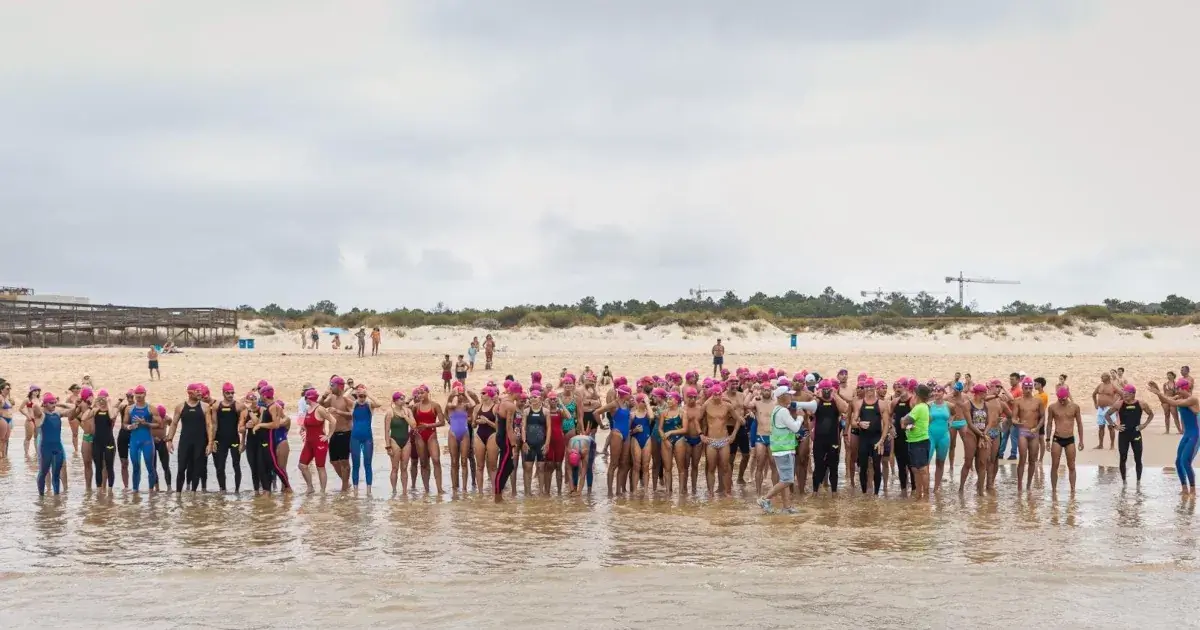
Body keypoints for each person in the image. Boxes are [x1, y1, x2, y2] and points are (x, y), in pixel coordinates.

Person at [757, 385, 819, 513]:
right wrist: (801, 417)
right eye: (789, 395)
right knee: (787, 480)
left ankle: (787, 507)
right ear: (782, 397)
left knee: (784, 479)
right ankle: (764, 499)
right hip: (784, 449)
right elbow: (795, 428)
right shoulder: (783, 411)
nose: (791, 397)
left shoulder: (777, 409)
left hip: (781, 449)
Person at [1147, 378, 1198, 495]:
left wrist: (1159, 393)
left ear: (1184, 388)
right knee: (1177, 462)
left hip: (1195, 435)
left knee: (1185, 461)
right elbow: (1166, 401)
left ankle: (1193, 490)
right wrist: (1158, 391)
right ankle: (1184, 489)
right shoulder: (1179, 397)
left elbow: (1173, 403)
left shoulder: (1193, 400)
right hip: (1186, 435)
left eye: (1178, 389)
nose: (1177, 391)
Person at [1104, 385, 1154, 484]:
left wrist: (1144, 425)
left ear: (1133, 394)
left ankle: (1138, 482)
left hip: (1136, 434)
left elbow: (1151, 414)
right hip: (1123, 434)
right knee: (1123, 458)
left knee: (1138, 458)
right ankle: (1124, 482)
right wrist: (1115, 426)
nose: (1125, 396)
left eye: (1127, 394)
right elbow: (1107, 415)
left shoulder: (1141, 404)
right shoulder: (1119, 404)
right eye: (1124, 394)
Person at [168, 384, 211, 492]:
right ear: (190, 392)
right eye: (197, 391)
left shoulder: (205, 407)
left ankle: (193, 494)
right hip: (185, 442)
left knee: (197, 469)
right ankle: (178, 494)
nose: (200, 393)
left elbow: (209, 425)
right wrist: (169, 440)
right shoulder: (180, 406)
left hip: (200, 443)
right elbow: (174, 424)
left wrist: (210, 443)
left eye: (200, 391)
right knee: (181, 468)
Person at [850, 379, 889, 495]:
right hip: (864, 440)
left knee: (877, 467)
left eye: (871, 387)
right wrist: (859, 424)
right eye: (867, 387)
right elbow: (853, 421)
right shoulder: (859, 403)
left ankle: (876, 494)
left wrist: (882, 440)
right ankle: (864, 494)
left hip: (876, 440)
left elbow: (886, 424)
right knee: (863, 467)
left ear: (875, 388)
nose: (869, 389)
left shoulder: (882, 404)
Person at [702, 383, 741, 496]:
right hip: (711, 440)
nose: (717, 396)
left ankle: (727, 492)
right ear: (712, 395)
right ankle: (710, 493)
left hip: (724, 440)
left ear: (721, 394)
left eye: (719, 394)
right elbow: (696, 419)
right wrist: (701, 435)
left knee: (725, 467)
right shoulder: (706, 405)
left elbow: (739, 419)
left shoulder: (727, 406)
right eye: (715, 394)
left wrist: (733, 434)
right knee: (711, 467)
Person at [812, 379, 848, 494]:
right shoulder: (817, 402)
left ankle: (834, 493)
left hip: (833, 439)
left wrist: (835, 395)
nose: (826, 392)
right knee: (818, 466)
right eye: (824, 390)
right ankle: (815, 492)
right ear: (820, 390)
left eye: (829, 389)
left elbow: (845, 409)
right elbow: (810, 412)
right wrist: (818, 397)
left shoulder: (835, 402)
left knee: (833, 467)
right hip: (819, 440)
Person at [1010, 377, 1046, 493]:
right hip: (1023, 432)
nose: (1028, 390)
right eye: (1026, 388)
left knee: (1032, 459)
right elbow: (1013, 418)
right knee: (1022, 457)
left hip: (1034, 432)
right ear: (1023, 387)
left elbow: (1042, 417)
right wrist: (1017, 423)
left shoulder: (1038, 401)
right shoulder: (1018, 401)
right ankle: (1020, 486)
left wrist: (1037, 428)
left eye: (1030, 388)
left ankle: (1028, 485)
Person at [1046, 386, 1084, 495]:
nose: (1062, 401)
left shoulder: (1075, 407)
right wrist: (1048, 440)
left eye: (1064, 399)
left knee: (1071, 465)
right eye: (1060, 399)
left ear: (1067, 396)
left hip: (1070, 439)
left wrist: (1081, 440)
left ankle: (1073, 491)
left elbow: (1079, 424)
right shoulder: (1052, 407)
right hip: (1057, 439)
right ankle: (1054, 491)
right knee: (1055, 465)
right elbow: (1049, 424)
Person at [899, 384, 933, 500]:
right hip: (916, 440)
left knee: (922, 469)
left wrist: (903, 420)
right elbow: (906, 425)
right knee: (916, 469)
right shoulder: (924, 407)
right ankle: (920, 495)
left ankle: (925, 496)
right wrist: (906, 423)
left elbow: (904, 422)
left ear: (916, 394)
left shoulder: (919, 408)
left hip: (919, 441)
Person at [297, 388, 335, 493]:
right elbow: (308, 424)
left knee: (320, 467)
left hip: (319, 442)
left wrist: (328, 435)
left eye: (305, 397)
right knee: (302, 465)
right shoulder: (308, 409)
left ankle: (322, 491)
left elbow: (333, 420)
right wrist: (303, 428)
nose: (304, 399)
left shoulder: (320, 409)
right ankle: (310, 487)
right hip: (309, 442)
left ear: (309, 398)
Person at [123, 386, 160, 492]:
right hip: (134, 441)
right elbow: (124, 424)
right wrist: (129, 427)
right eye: (137, 394)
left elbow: (159, 424)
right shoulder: (129, 408)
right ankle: (135, 491)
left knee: (150, 466)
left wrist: (146, 423)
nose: (138, 396)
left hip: (147, 441)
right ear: (134, 395)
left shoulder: (151, 408)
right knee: (135, 466)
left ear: (145, 394)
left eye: (141, 394)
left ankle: (151, 492)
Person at [30, 393, 67, 496]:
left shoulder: (57, 414)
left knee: (56, 474)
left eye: (55, 403)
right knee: (43, 472)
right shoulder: (42, 415)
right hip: (45, 448)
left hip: (57, 447)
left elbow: (72, 410)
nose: (54, 405)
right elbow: (34, 406)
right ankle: (41, 498)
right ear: (45, 404)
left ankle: (56, 498)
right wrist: (42, 402)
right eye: (51, 403)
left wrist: (60, 404)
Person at [321, 376, 354, 490]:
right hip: (334, 433)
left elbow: (352, 415)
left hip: (346, 433)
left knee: (344, 461)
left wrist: (338, 411)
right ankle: (346, 482)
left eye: (332, 385)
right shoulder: (331, 398)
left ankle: (344, 486)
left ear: (339, 386)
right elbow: (320, 405)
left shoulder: (347, 399)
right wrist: (324, 395)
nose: (330, 387)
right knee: (333, 461)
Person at [412, 386, 445, 495]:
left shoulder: (435, 405)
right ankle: (426, 490)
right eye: (418, 393)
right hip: (420, 436)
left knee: (436, 460)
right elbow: (412, 422)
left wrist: (428, 425)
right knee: (423, 462)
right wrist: (414, 430)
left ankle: (439, 489)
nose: (420, 395)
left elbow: (442, 422)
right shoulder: (415, 407)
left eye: (422, 393)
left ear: (427, 392)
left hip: (431, 434)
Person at [81, 389, 116, 494]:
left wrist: (108, 402)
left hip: (109, 441)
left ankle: (109, 491)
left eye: (103, 398)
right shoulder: (95, 410)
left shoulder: (112, 410)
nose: (101, 401)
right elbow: (83, 417)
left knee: (109, 466)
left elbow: (112, 416)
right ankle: (99, 492)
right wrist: (92, 405)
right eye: (100, 398)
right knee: (98, 466)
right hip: (97, 442)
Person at [962, 384, 992, 494]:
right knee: (968, 462)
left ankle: (980, 491)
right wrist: (981, 434)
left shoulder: (986, 405)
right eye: (985, 392)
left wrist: (984, 434)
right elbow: (969, 423)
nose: (986, 394)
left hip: (983, 433)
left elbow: (989, 422)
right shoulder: (967, 404)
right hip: (971, 434)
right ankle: (961, 488)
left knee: (983, 462)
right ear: (979, 393)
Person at [349, 387, 380, 489]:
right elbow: (344, 397)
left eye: (364, 396)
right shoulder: (354, 404)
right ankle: (355, 491)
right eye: (360, 396)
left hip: (367, 438)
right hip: (355, 438)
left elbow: (379, 403)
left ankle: (368, 491)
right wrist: (351, 388)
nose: (362, 398)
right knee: (356, 464)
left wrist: (368, 394)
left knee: (367, 464)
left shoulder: (369, 405)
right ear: (356, 396)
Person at [446, 383, 473, 493]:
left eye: (461, 393)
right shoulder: (449, 404)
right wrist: (455, 394)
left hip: (464, 432)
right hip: (453, 432)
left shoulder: (466, 405)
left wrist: (465, 393)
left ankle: (464, 488)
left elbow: (473, 404)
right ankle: (454, 487)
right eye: (459, 393)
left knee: (463, 461)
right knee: (454, 461)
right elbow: (452, 406)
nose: (460, 395)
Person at [383, 392, 413, 495]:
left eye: (403, 399)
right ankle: (394, 491)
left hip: (406, 441)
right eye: (400, 399)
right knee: (395, 467)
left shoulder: (408, 411)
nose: (403, 401)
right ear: (395, 401)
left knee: (404, 468)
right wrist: (388, 447)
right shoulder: (390, 413)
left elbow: (414, 426)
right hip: (394, 441)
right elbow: (386, 431)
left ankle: (404, 492)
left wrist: (405, 417)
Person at [1092, 372, 1119, 450]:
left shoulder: (1113, 386)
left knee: (1111, 427)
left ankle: (1112, 445)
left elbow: (1121, 394)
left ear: (1107, 377)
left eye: (1102, 377)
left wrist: (1117, 405)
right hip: (1100, 409)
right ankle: (1100, 445)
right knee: (1101, 427)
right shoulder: (1100, 385)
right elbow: (1093, 394)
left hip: (1109, 409)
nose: (1101, 378)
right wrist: (1095, 403)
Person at [0, 382, 14, 460]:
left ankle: (4, 456)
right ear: (2, 390)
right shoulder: (0, 397)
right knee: (1, 439)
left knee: (6, 439)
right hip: (2, 418)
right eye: (7, 389)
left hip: (8, 419)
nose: (8, 390)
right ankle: (1, 456)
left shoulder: (8, 398)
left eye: (9, 389)